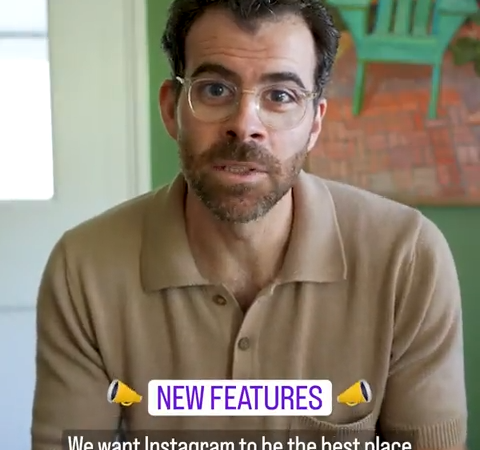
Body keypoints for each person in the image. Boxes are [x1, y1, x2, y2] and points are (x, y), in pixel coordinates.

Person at [31, 0, 467, 449]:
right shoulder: (83, 269)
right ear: (171, 109)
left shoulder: (407, 259)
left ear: (315, 124)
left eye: (280, 96)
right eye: (215, 89)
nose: (244, 125)